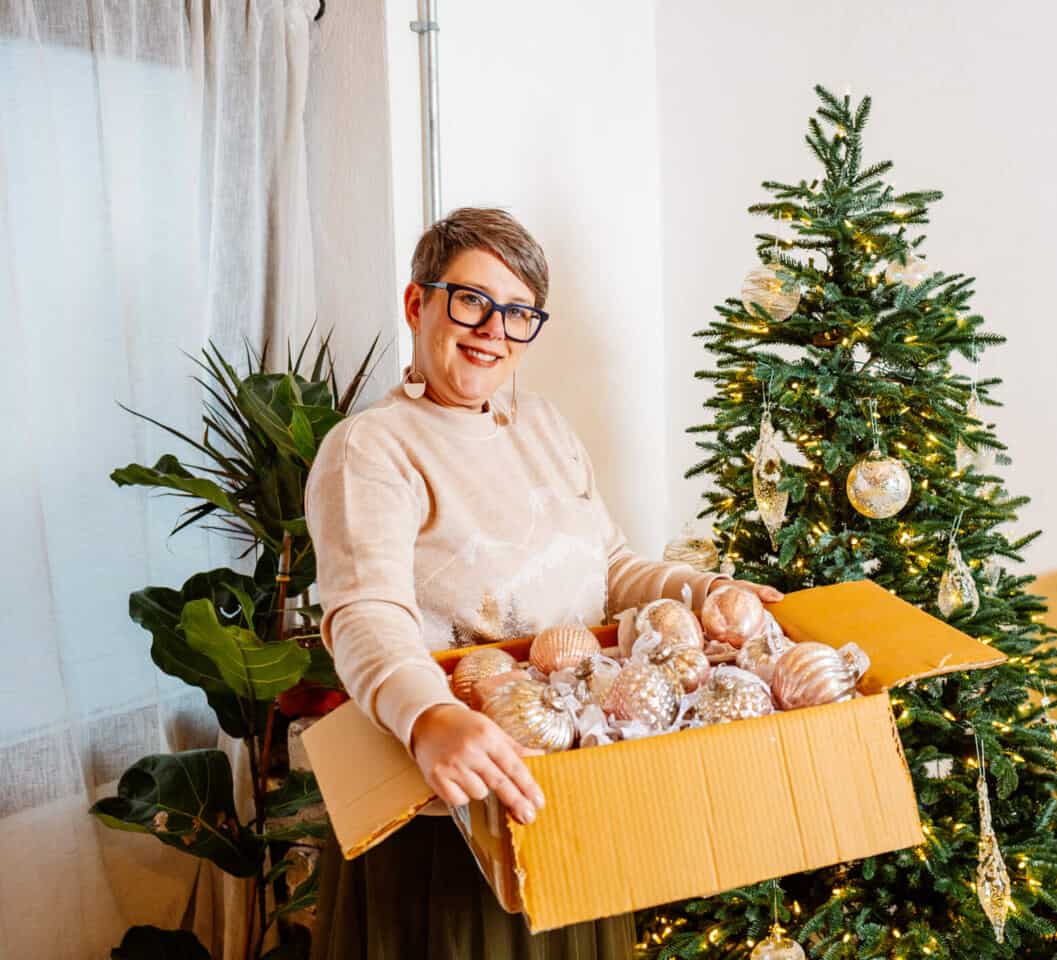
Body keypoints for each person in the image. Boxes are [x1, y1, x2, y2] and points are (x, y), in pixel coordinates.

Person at [306, 207, 781, 959]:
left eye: (519, 312)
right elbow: (365, 613)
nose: (494, 328)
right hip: (455, 804)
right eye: (471, 300)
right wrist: (430, 717)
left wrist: (704, 592)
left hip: (578, 786)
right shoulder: (370, 449)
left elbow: (612, 568)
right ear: (416, 303)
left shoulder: (545, 425)